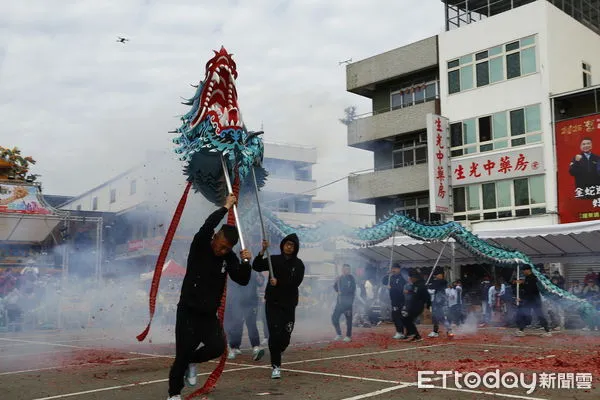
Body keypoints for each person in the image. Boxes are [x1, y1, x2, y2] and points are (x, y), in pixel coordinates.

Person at [167, 194, 252, 400]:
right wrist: (225, 207)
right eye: (220, 245)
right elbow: (207, 225)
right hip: (188, 310)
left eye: (226, 249)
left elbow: (242, 279)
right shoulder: (200, 245)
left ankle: (192, 360)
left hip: (208, 315)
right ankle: (174, 394)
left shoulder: (229, 257)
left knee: (217, 347)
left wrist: (246, 263)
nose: (221, 250)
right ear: (215, 237)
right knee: (182, 353)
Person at [253, 234, 305, 379]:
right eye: (287, 244)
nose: (289, 247)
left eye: (292, 245)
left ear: (295, 248)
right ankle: (276, 366)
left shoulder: (299, 264)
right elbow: (256, 265)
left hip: (289, 304)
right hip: (273, 303)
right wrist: (262, 250)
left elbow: (296, 283)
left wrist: (279, 283)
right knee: (274, 334)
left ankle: (278, 349)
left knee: (286, 335)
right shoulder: (273, 260)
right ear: (282, 245)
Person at [224, 270, 264, 361]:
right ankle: (234, 347)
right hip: (236, 301)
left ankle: (255, 346)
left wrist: (259, 277)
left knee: (251, 324)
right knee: (236, 323)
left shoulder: (254, 269)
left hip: (251, 301)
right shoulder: (234, 267)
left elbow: (261, 282)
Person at [515, 265, 551, 337]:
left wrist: (522, 298)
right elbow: (526, 288)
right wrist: (521, 284)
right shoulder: (528, 278)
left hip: (534, 300)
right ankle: (521, 330)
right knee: (524, 314)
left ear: (528, 270)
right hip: (529, 300)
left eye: (524, 270)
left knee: (540, 315)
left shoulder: (533, 278)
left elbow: (530, 290)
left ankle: (547, 331)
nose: (523, 272)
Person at [401, 269, 431, 342]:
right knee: (405, 318)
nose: (410, 279)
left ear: (415, 278)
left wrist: (427, 306)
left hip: (418, 305)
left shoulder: (421, 286)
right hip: (413, 304)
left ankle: (416, 336)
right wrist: (409, 292)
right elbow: (415, 292)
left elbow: (427, 297)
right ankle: (409, 334)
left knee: (408, 319)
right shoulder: (415, 285)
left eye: (411, 277)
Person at [331, 264, 356, 342]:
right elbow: (335, 288)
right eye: (345, 269)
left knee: (348, 320)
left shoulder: (351, 278)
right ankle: (339, 334)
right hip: (340, 302)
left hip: (348, 303)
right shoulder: (340, 278)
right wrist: (336, 282)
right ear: (342, 270)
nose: (347, 271)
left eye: (348, 269)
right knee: (334, 318)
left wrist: (343, 292)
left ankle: (348, 336)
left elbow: (352, 289)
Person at [382, 264, 406, 339]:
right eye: (393, 268)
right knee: (395, 316)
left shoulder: (401, 278)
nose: (393, 270)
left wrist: (391, 288)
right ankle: (399, 331)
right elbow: (384, 282)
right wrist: (387, 275)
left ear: (399, 269)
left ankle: (400, 332)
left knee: (397, 316)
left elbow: (400, 289)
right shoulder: (391, 277)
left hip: (400, 299)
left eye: (395, 268)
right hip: (393, 299)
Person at [427, 269, 453, 338]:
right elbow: (431, 287)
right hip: (436, 302)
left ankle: (437, 331)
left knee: (440, 317)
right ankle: (444, 330)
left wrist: (429, 286)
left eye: (440, 275)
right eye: (438, 275)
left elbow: (433, 287)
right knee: (437, 317)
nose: (439, 276)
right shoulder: (435, 282)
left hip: (440, 302)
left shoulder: (442, 281)